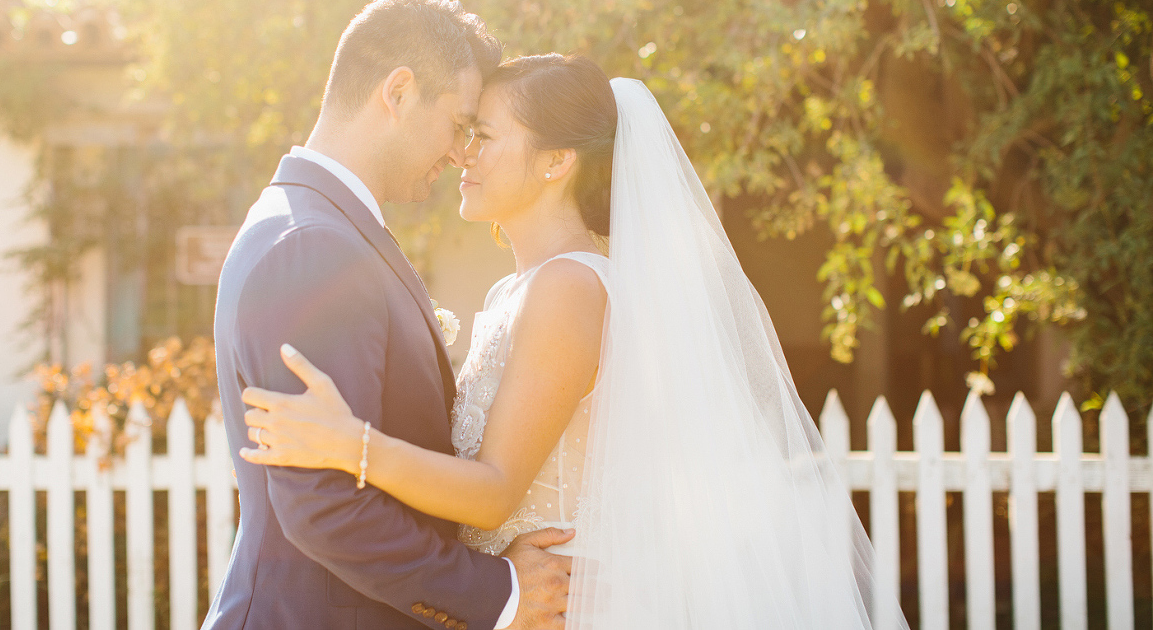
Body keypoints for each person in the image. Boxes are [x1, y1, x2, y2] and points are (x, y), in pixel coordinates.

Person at [239, 54, 911, 628]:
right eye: (463, 134)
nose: (460, 153)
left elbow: (496, 488)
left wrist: (350, 446)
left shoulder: (569, 288)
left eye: (484, 137)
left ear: (556, 161)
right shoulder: (517, 290)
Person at [203, 0, 574, 630]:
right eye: (459, 124)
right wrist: (498, 593)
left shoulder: (323, 228)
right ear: (397, 92)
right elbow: (325, 506)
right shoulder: (311, 247)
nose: (463, 152)